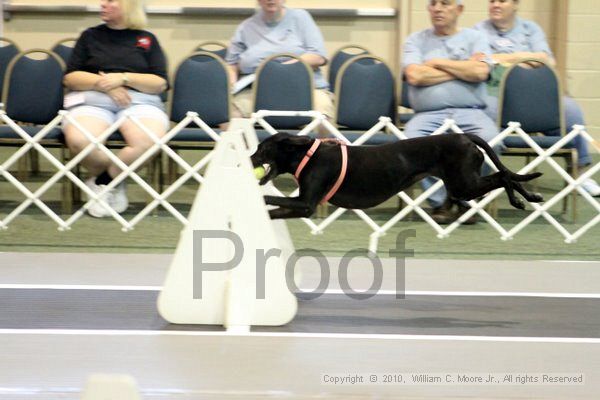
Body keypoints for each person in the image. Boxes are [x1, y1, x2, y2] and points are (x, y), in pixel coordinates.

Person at [475, 0, 600, 196]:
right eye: (492, 1)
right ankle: (483, 179)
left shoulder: (530, 29)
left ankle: (580, 173)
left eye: (502, 1)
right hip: (495, 96)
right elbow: (482, 62)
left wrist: (503, 59)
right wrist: (525, 59)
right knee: (482, 115)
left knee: (571, 111)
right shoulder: (479, 30)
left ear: (515, 5)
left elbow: (547, 60)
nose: (495, 5)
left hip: (535, 96)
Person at [63, 0, 169, 218]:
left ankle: (103, 181)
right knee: (80, 140)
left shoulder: (147, 40)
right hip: (92, 100)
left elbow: (159, 82)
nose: (102, 4)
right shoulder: (89, 36)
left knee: (147, 141)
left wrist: (123, 78)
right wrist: (105, 85)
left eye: (111, 1)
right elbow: (71, 77)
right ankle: (116, 179)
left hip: (139, 102)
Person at [402, 0, 499, 224]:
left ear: (459, 9)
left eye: (445, 3)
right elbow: (415, 75)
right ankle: (440, 202)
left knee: (491, 140)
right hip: (427, 116)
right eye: (433, 4)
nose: (437, 9)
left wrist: (436, 63)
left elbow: (481, 71)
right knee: (412, 141)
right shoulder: (415, 40)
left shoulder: (477, 38)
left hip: (470, 112)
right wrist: (462, 68)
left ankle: (467, 200)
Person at [224, 0, 334, 121]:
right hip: (258, 92)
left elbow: (318, 56)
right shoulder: (245, 27)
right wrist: (232, 85)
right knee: (229, 114)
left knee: (323, 116)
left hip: (306, 90)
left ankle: (319, 141)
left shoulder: (301, 18)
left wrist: (279, 72)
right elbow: (231, 64)